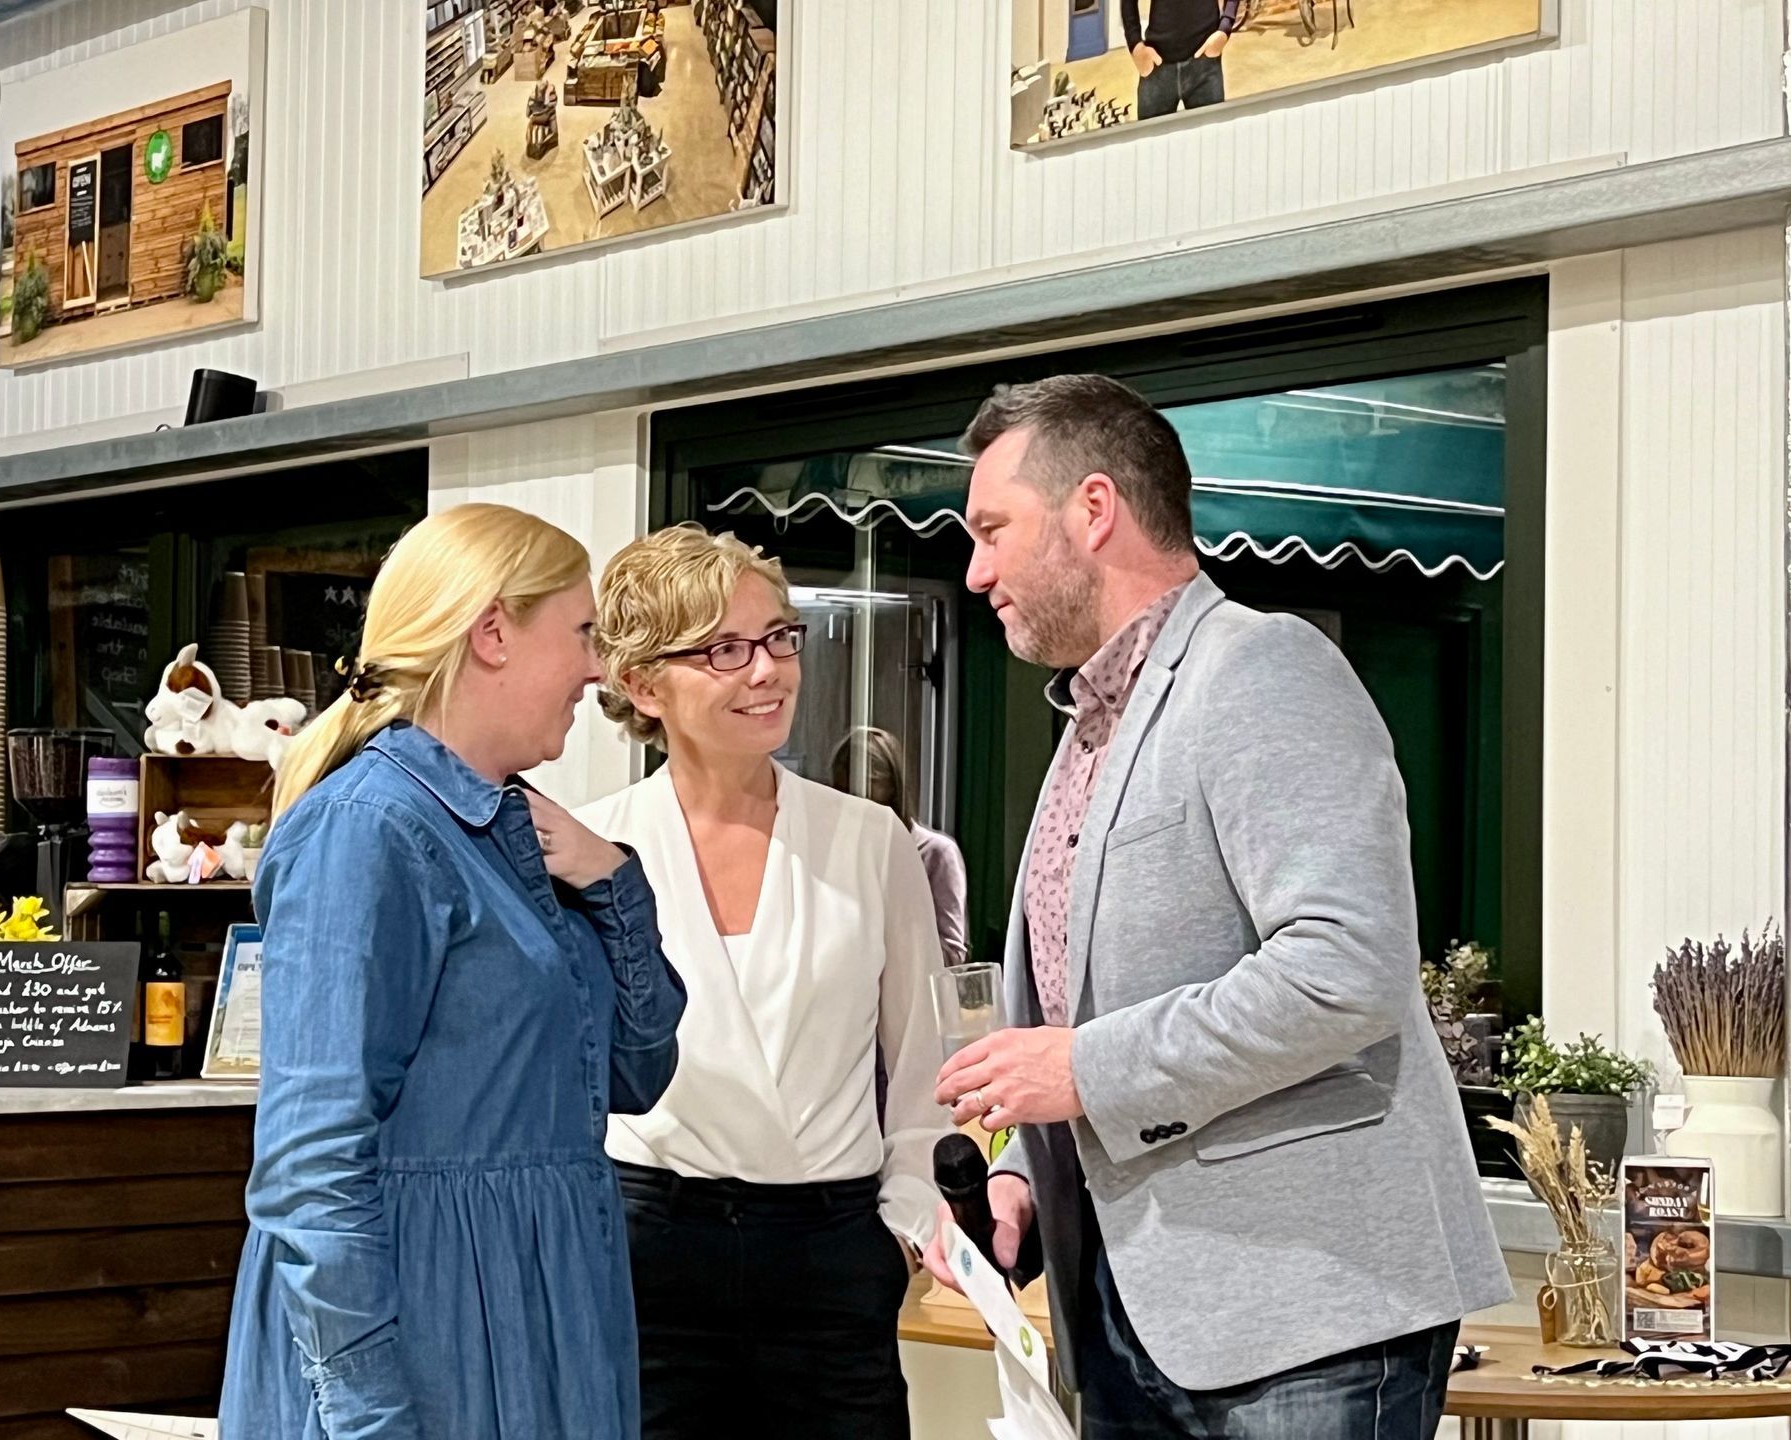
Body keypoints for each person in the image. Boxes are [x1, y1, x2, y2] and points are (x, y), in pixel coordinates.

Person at [923, 376, 1510, 1438]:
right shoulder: (1091, 722)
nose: (976, 572)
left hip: (1304, 1319)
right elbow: (1083, 1012)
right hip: (1122, 1315)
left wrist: (1079, 1070)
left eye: (994, 531)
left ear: (1093, 509)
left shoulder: (1263, 669)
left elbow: (1345, 967)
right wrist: (1022, 1181)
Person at [220, 503, 686, 1440]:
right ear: (493, 633)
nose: (598, 668)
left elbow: (632, 1072)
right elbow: (310, 1167)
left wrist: (613, 880)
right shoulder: (366, 829)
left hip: (538, 1307)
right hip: (427, 1331)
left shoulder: (519, 832)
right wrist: (368, 1413)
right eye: (584, 633)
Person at [577, 524, 951, 1440]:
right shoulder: (590, 847)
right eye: (725, 650)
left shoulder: (870, 838)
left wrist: (901, 1223)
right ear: (641, 684)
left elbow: (928, 1064)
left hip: (832, 1253)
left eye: (781, 637)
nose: (768, 671)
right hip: (648, 1252)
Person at [832, 726, 970, 967]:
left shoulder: (935, 853)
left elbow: (951, 955)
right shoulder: (839, 854)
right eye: (843, 795)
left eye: (865, 795)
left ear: (891, 790)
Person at [1123, 0, 1239, 118]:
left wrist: (1225, 26)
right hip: (1157, 64)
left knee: (1211, 134)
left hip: (1205, 60)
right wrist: (1135, 45)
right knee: (1150, 135)